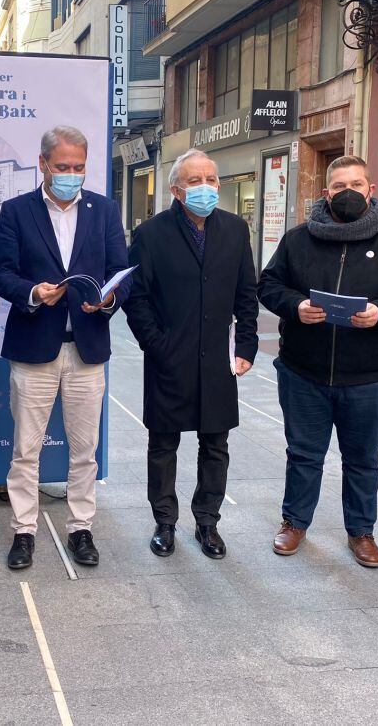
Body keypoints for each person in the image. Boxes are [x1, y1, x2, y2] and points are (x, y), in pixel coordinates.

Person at [258, 155, 378, 567]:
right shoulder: (299, 239)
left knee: (363, 459)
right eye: (339, 186)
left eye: (356, 184)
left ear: (372, 190)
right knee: (303, 454)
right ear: (326, 193)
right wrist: (296, 306)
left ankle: (361, 531)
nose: (348, 192)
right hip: (304, 371)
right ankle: (294, 522)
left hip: (370, 376)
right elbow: (267, 284)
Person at [0, 126, 129, 570]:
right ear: (43, 164)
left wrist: (109, 298)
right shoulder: (16, 211)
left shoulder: (105, 210)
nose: (72, 174)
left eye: (79, 167)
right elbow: (2, 273)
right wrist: (33, 293)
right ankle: (24, 530)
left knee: (84, 448)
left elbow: (120, 271)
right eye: (63, 166)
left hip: (86, 348)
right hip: (35, 349)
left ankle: (81, 527)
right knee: (26, 449)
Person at [124, 149, 258, 559]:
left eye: (212, 180)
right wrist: (157, 344)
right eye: (195, 181)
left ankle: (207, 522)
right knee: (163, 445)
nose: (206, 188)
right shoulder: (152, 234)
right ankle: (165, 522)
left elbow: (246, 293)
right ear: (176, 190)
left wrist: (247, 345)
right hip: (169, 358)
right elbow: (137, 298)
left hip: (217, 359)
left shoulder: (235, 230)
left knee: (215, 445)